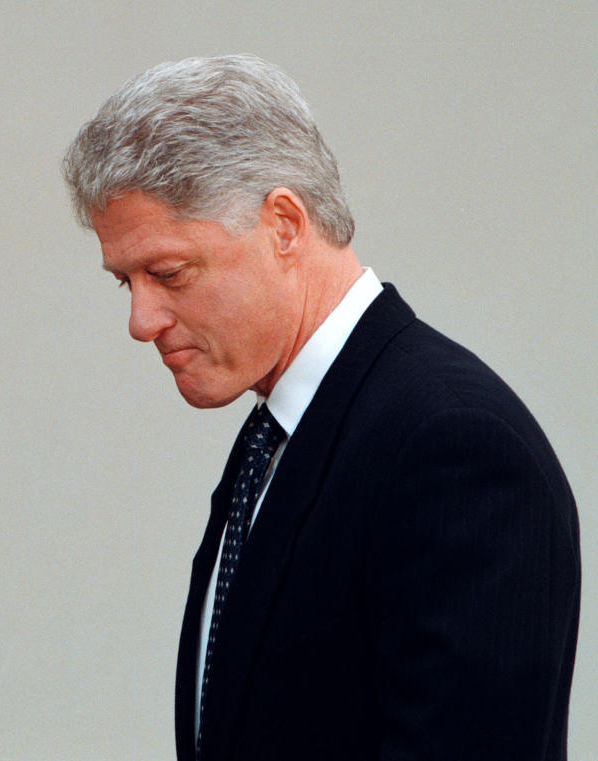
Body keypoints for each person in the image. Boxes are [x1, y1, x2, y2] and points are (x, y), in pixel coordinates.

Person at [63, 55, 579, 761]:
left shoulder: (455, 446)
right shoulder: (278, 432)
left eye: (168, 272)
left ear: (283, 224)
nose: (142, 319)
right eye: (127, 282)